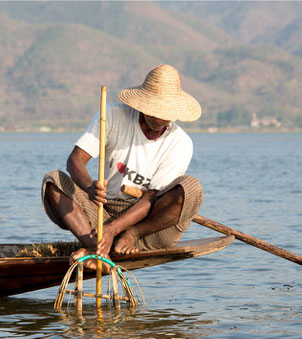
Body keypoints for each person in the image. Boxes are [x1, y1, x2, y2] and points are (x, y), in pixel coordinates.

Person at [42, 64, 203, 269]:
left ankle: (124, 238)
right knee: (53, 180)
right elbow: (75, 160)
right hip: (103, 211)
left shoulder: (180, 143)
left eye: (164, 112)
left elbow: (150, 198)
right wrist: (89, 186)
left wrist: (119, 230)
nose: (157, 117)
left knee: (190, 187)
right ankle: (96, 249)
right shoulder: (112, 114)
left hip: (146, 223)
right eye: (153, 109)